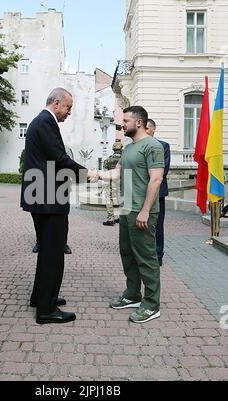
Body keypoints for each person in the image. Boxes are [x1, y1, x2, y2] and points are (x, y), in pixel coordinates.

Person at [21, 88, 96, 324]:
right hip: (48, 198)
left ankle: (41, 297)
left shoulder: (40, 121)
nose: (69, 113)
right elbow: (59, 158)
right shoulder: (45, 122)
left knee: (46, 249)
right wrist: (87, 174)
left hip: (42, 196)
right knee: (53, 253)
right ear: (56, 103)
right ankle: (46, 309)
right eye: (68, 108)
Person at [97, 106, 165, 324]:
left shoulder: (152, 146)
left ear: (138, 123)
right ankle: (133, 294)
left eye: (125, 121)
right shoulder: (128, 148)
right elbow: (117, 172)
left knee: (146, 258)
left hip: (142, 211)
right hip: (126, 210)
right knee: (127, 254)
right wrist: (94, 173)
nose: (122, 125)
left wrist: (145, 210)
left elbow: (156, 179)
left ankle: (152, 304)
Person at [32, 145, 73, 255]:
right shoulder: (40, 149)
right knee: (38, 217)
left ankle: (63, 243)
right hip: (43, 185)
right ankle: (39, 242)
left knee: (63, 217)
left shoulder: (66, 149)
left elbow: (70, 166)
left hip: (61, 186)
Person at [146, 119, 171, 267]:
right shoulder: (137, 146)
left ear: (154, 129)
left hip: (158, 191)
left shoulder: (163, 146)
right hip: (141, 192)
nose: (146, 131)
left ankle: (158, 254)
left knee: (157, 225)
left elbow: (164, 169)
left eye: (148, 128)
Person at [102, 141, 123, 226]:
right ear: (121, 149)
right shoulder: (125, 159)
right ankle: (121, 217)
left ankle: (111, 219)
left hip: (110, 182)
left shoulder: (108, 160)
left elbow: (106, 174)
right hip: (122, 182)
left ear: (113, 149)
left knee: (109, 199)